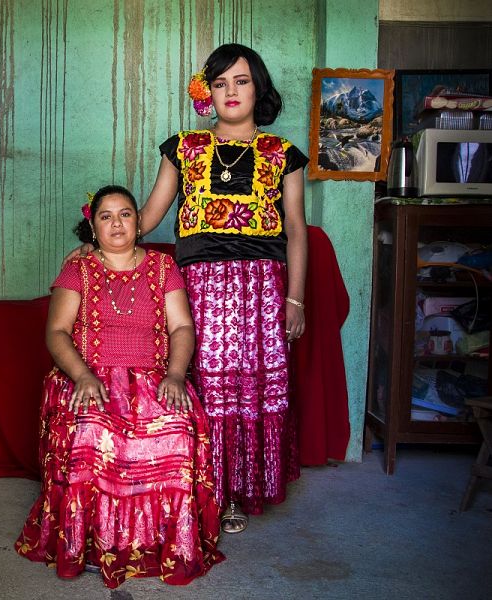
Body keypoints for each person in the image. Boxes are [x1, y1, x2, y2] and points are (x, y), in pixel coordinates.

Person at [65, 44, 308, 534]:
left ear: (257, 86)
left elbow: (297, 230)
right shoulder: (183, 149)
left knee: (252, 388)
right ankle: (205, 489)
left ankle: (241, 490)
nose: (231, 92)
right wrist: (91, 245)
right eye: (220, 83)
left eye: (240, 81)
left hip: (261, 289)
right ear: (207, 94)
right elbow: (148, 217)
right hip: (199, 287)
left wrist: (295, 299)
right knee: (207, 389)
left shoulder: (283, 155)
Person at [15, 185, 224, 589]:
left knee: (176, 429)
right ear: (92, 226)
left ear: (138, 222)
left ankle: (167, 542)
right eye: (106, 216)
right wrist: (83, 376)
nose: (116, 223)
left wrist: (176, 375)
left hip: (153, 375)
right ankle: (91, 545)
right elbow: (56, 332)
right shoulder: (77, 270)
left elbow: (182, 326)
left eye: (126, 214)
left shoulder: (164, 267)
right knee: (92, 429)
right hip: (89, 373)